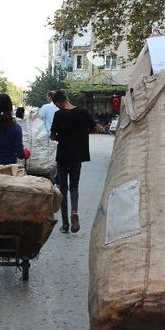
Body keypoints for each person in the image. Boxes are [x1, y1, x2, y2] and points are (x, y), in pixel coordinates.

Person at [50, 89, 102, 234]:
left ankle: (65, 224)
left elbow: (53, 136)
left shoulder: (58, 114)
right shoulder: (83, 112)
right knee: (74, 187)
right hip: (77, 156)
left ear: (59, 103)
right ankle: (74, 211)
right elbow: (97, 128)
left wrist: (62, 136)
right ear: (67, 98)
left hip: (63, 156)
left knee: (63, 189)